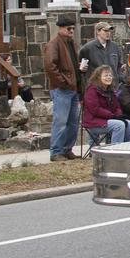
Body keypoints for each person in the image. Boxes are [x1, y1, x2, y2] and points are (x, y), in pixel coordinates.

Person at [44, 14, 86, 161]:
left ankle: (67, 149)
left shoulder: (71, 44)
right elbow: (50, 66)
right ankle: (56, 152)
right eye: (69, 28)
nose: (72, 31)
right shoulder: (54, 44)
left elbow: (70, 66)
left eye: (73, 28)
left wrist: (79, 72)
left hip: (72, 88)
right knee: (60, 122)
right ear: (61, 28)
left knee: (73, 122)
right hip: (62, 89)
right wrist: (64, 82)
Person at [82, 65, 130, 145]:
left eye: (110, 75)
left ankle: (125, 150)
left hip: (107, 119)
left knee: (129, 124)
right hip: (93, 121)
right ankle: (114, 152)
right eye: (105, 75)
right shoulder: (91, 90)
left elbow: (117, 107)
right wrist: (112, 116)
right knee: (119, 125)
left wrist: (119, 115)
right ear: (98, 77)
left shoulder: (110, 90)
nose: (109, 77)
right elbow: (95, 110)